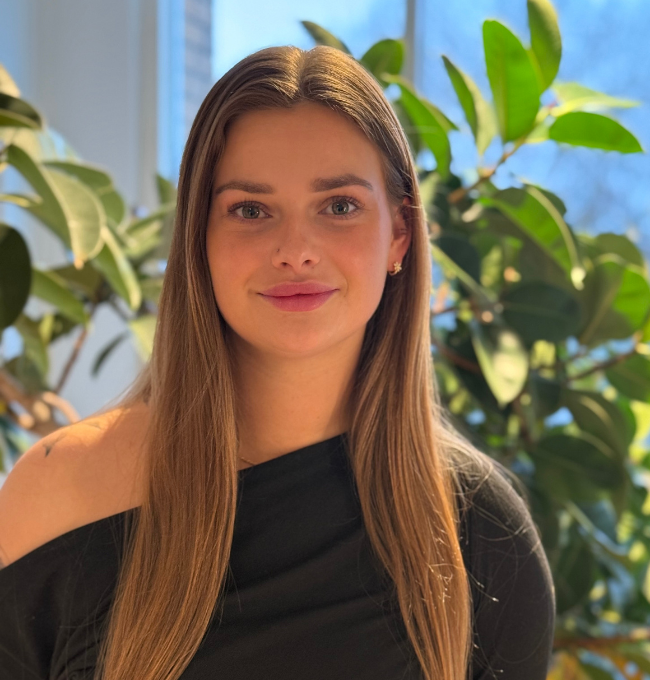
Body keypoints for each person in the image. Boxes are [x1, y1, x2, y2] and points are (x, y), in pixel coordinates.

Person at [0, 44, 556, 680]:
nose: (295, 250)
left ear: (400, 233)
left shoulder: (482, 536)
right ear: (199, 237)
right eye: (250, 210)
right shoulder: (57, 495)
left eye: (340, 206)